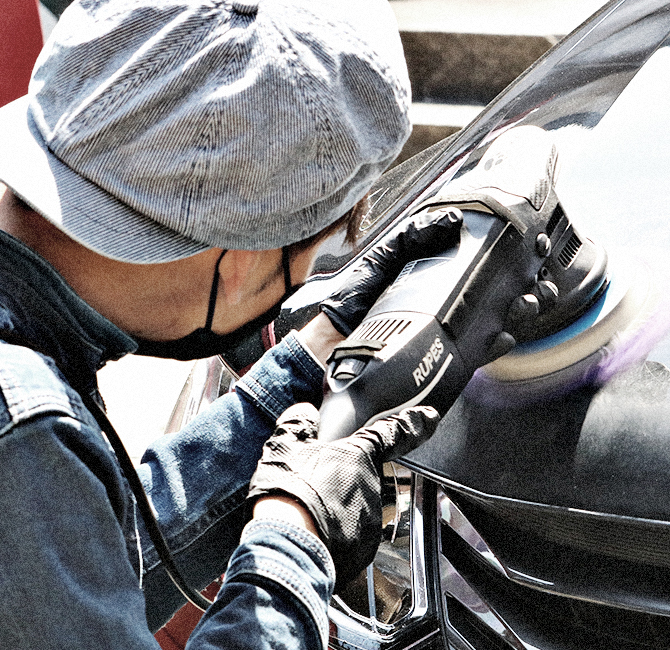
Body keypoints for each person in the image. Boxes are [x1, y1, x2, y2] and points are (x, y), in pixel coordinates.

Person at [0, 0, 462, 648]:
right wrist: (292, 539)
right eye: (307, 256)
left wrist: (302, 366)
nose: (304, 280)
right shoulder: (23, 432)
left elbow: (78, 568)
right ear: (242, 262)